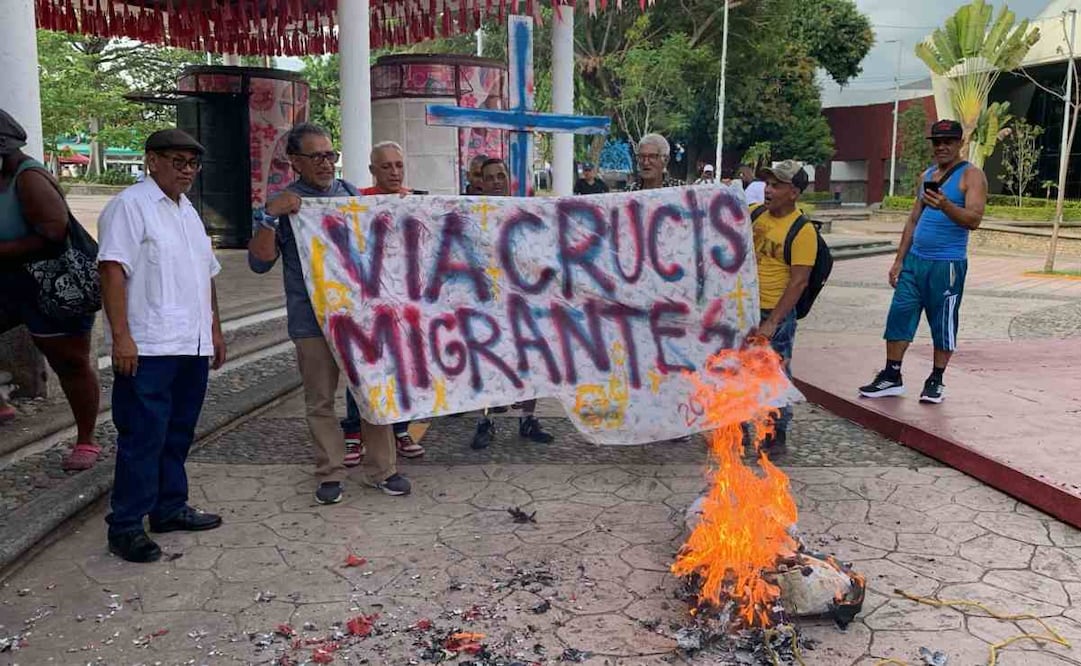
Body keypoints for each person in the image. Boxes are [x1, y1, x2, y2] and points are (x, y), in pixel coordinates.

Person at [249, 123, 410, 504]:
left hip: (357, 318)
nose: (326, 163)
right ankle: (330, 473)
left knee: (372, 392)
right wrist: (270, 217)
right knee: (320, 400)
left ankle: (383, 469)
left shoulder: (349, 195)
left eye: (330, 155)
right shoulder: (282, 202)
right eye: (316, 156)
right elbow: (259, 262)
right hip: (311, 320)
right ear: (295, 161)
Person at [96, 128, 226, 563]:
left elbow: (207, 274)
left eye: (193, 164)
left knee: (178, 432)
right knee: (142, 436)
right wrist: (120, 337)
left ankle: (169, 507)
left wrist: (216, 330)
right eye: (177, 161)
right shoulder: (131, 207)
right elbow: (113, 271)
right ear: (152, 160)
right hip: (148, 345)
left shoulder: (188, 211)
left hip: (190, 343)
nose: (186, 171)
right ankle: (126, 525)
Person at [0, 109, 101, 472]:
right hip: (8, 282)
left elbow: (53, 232)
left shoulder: (29, 179)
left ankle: (87, 438)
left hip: (52, 283)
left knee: (70, 362)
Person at [859, 120, 986, 404]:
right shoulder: (926, 175)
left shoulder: (971, 176)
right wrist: (899, 260)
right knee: (899, 315)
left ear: (959, 143)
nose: (942, 147)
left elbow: (974, 220)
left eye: (948, 141)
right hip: (914, 262)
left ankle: (936, 379)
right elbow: (914, 218)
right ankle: (892, 375)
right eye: (937, 142)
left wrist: (946, 205)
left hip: (947, 264)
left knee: (943, 322)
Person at [339, 140, 424, 463]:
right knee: (360, 370)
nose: (393, 171)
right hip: (366, 306)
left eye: (398, 165)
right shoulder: (357, 202)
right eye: (386, 166)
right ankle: (353, 433)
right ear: (373, 169)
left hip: (406, 304)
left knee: (403, 369)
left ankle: (400, 429)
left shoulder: (416, 202)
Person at [471, 157, 554, 450]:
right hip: (487, 304)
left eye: (500, 176)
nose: (495, 181)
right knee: (489, 364)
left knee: (530, 362)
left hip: (523, 301)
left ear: (509, 179)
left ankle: (527, 418)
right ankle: (485, 421)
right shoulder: (472, 214)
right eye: (490, 177)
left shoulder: (524, 213)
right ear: (481, 181)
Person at [748, 160, 816, 457]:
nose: (768, 190)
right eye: (768, 183)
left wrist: (773, 322)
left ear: (794, 192)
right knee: (740, 371)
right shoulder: (756, 215)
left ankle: (776, 434)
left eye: (777, 185)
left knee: (774, 375)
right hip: (746, 310)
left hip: (774, 315)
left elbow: (799, 282)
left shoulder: (802, 231)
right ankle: (736, 427)